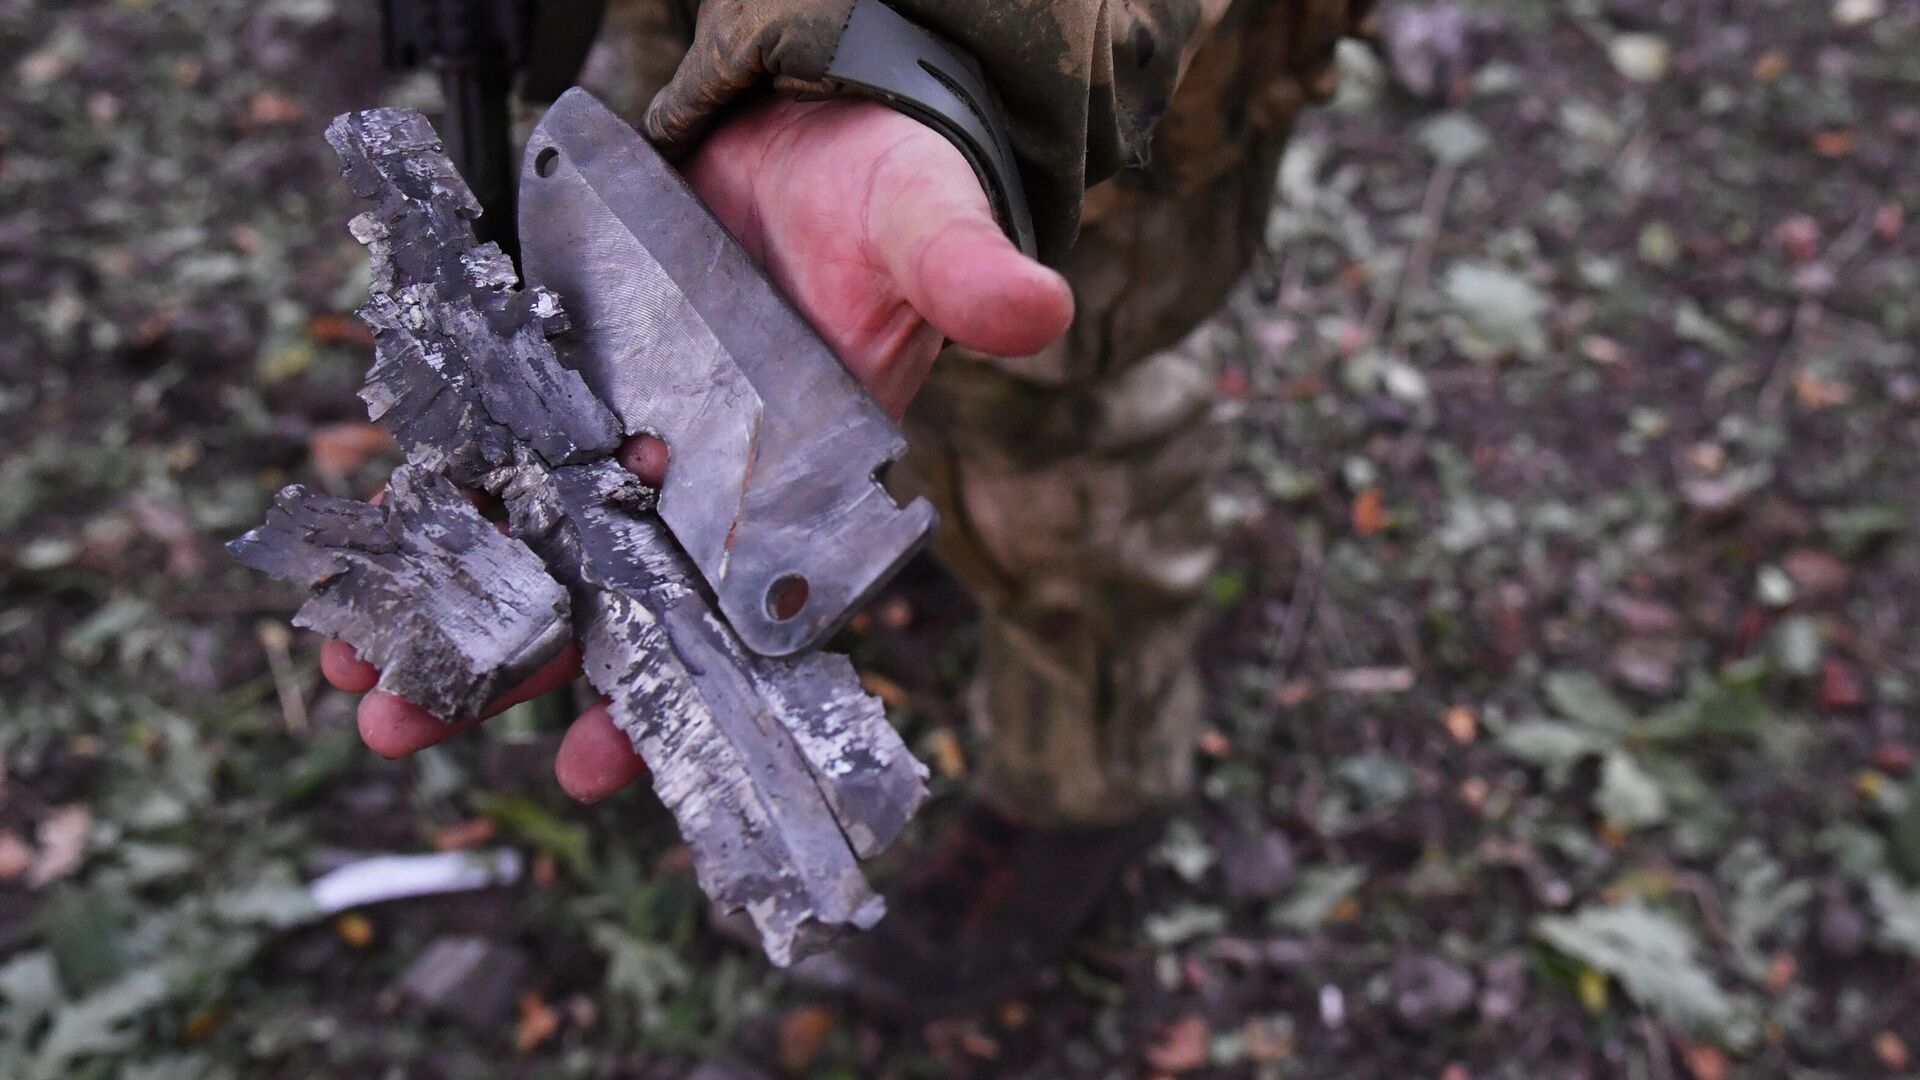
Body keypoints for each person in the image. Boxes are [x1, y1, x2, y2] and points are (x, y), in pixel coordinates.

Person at [319, 0, 1377, 1015]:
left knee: (1055, 419)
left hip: (1084, 67)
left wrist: (931, 67)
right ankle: (933, 527)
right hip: (737, 40)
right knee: (832, 324)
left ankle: (1091, 777)